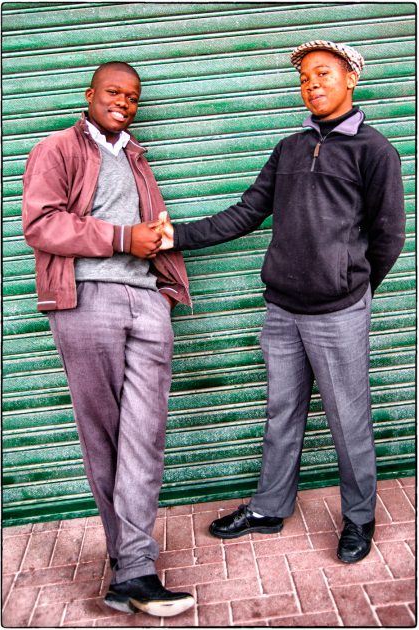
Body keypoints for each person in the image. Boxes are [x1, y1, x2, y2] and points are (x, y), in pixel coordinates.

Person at [157, 41, 406, 563]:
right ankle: (270, 508)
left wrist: (352, 287)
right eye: (305, 78)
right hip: (282, 311)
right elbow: (247, 211)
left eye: (323, 74)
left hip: (338, 312)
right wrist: (174, 235)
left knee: (349, 419)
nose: (312, 85)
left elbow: (388, 237)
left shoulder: (375, 151)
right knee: (282, 412)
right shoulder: (290, 148)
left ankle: (360, 518)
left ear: (350, 80)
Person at [22, 61, 194, 617]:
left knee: (144, 435)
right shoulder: (58, 148)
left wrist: (162, 288)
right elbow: (41, 223)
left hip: (146, 303)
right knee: (105, 438)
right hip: (86, 299)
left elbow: (150, 231)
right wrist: (124, 237)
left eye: (133, 97)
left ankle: (134, 573)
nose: (124, 102)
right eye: (114, 92)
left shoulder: (135, 154)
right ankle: (133, 568)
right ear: (90, 94)